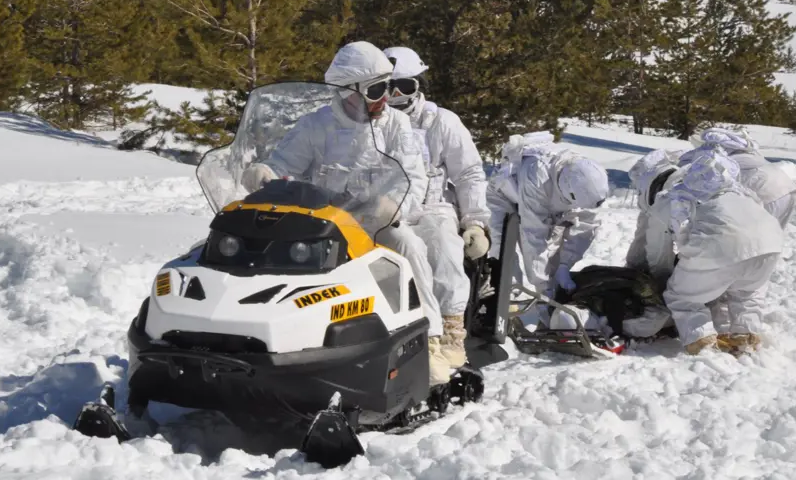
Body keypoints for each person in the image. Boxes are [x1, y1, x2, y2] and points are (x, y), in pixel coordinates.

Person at [240, 41, 453, 385]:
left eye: (387, 86)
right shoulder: (315, 126)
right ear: (346, 92)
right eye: (376, 88)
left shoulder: (397, 125)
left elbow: (414, 179)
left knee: (407, 247)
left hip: (376, 222)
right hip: (321, 223)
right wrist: (263, 173)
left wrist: (393, 206)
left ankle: (428, 339)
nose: (386, 96)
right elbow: (284, 166)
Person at [381, 46, 491, 372]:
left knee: (442, 249)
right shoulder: (371, 120)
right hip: (383, 208)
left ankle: (449, 334)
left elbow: (468, 173)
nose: (398, 95)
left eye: (406, 86)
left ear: (420, 84)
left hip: (431, 206)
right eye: (389, 87)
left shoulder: (440, 121)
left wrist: (474, 222)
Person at [627, 148, 784, 355]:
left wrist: (663, 285)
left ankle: (702, 343)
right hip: (771, 242)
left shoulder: (669, 198)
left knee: (681, 298)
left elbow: (658, 256)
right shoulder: (730, 188)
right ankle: (746, 335)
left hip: (722, 245)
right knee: (746, 291)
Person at [486, 132, 610, 326]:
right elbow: (534, 240)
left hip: (550, 203)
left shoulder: (587, 179)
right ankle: (502, 305)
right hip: (504, 194)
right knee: (503, 252)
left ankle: (548, 303)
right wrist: (544, 292)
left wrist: (564, 265)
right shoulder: (537, 176)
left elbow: (585, 226)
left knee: (553, 261)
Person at [684, 128, 796, 228]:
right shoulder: (745, 150)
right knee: (773, 235)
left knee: (754, 235)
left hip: (765, 192)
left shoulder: (716, 157)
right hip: (787, 187)